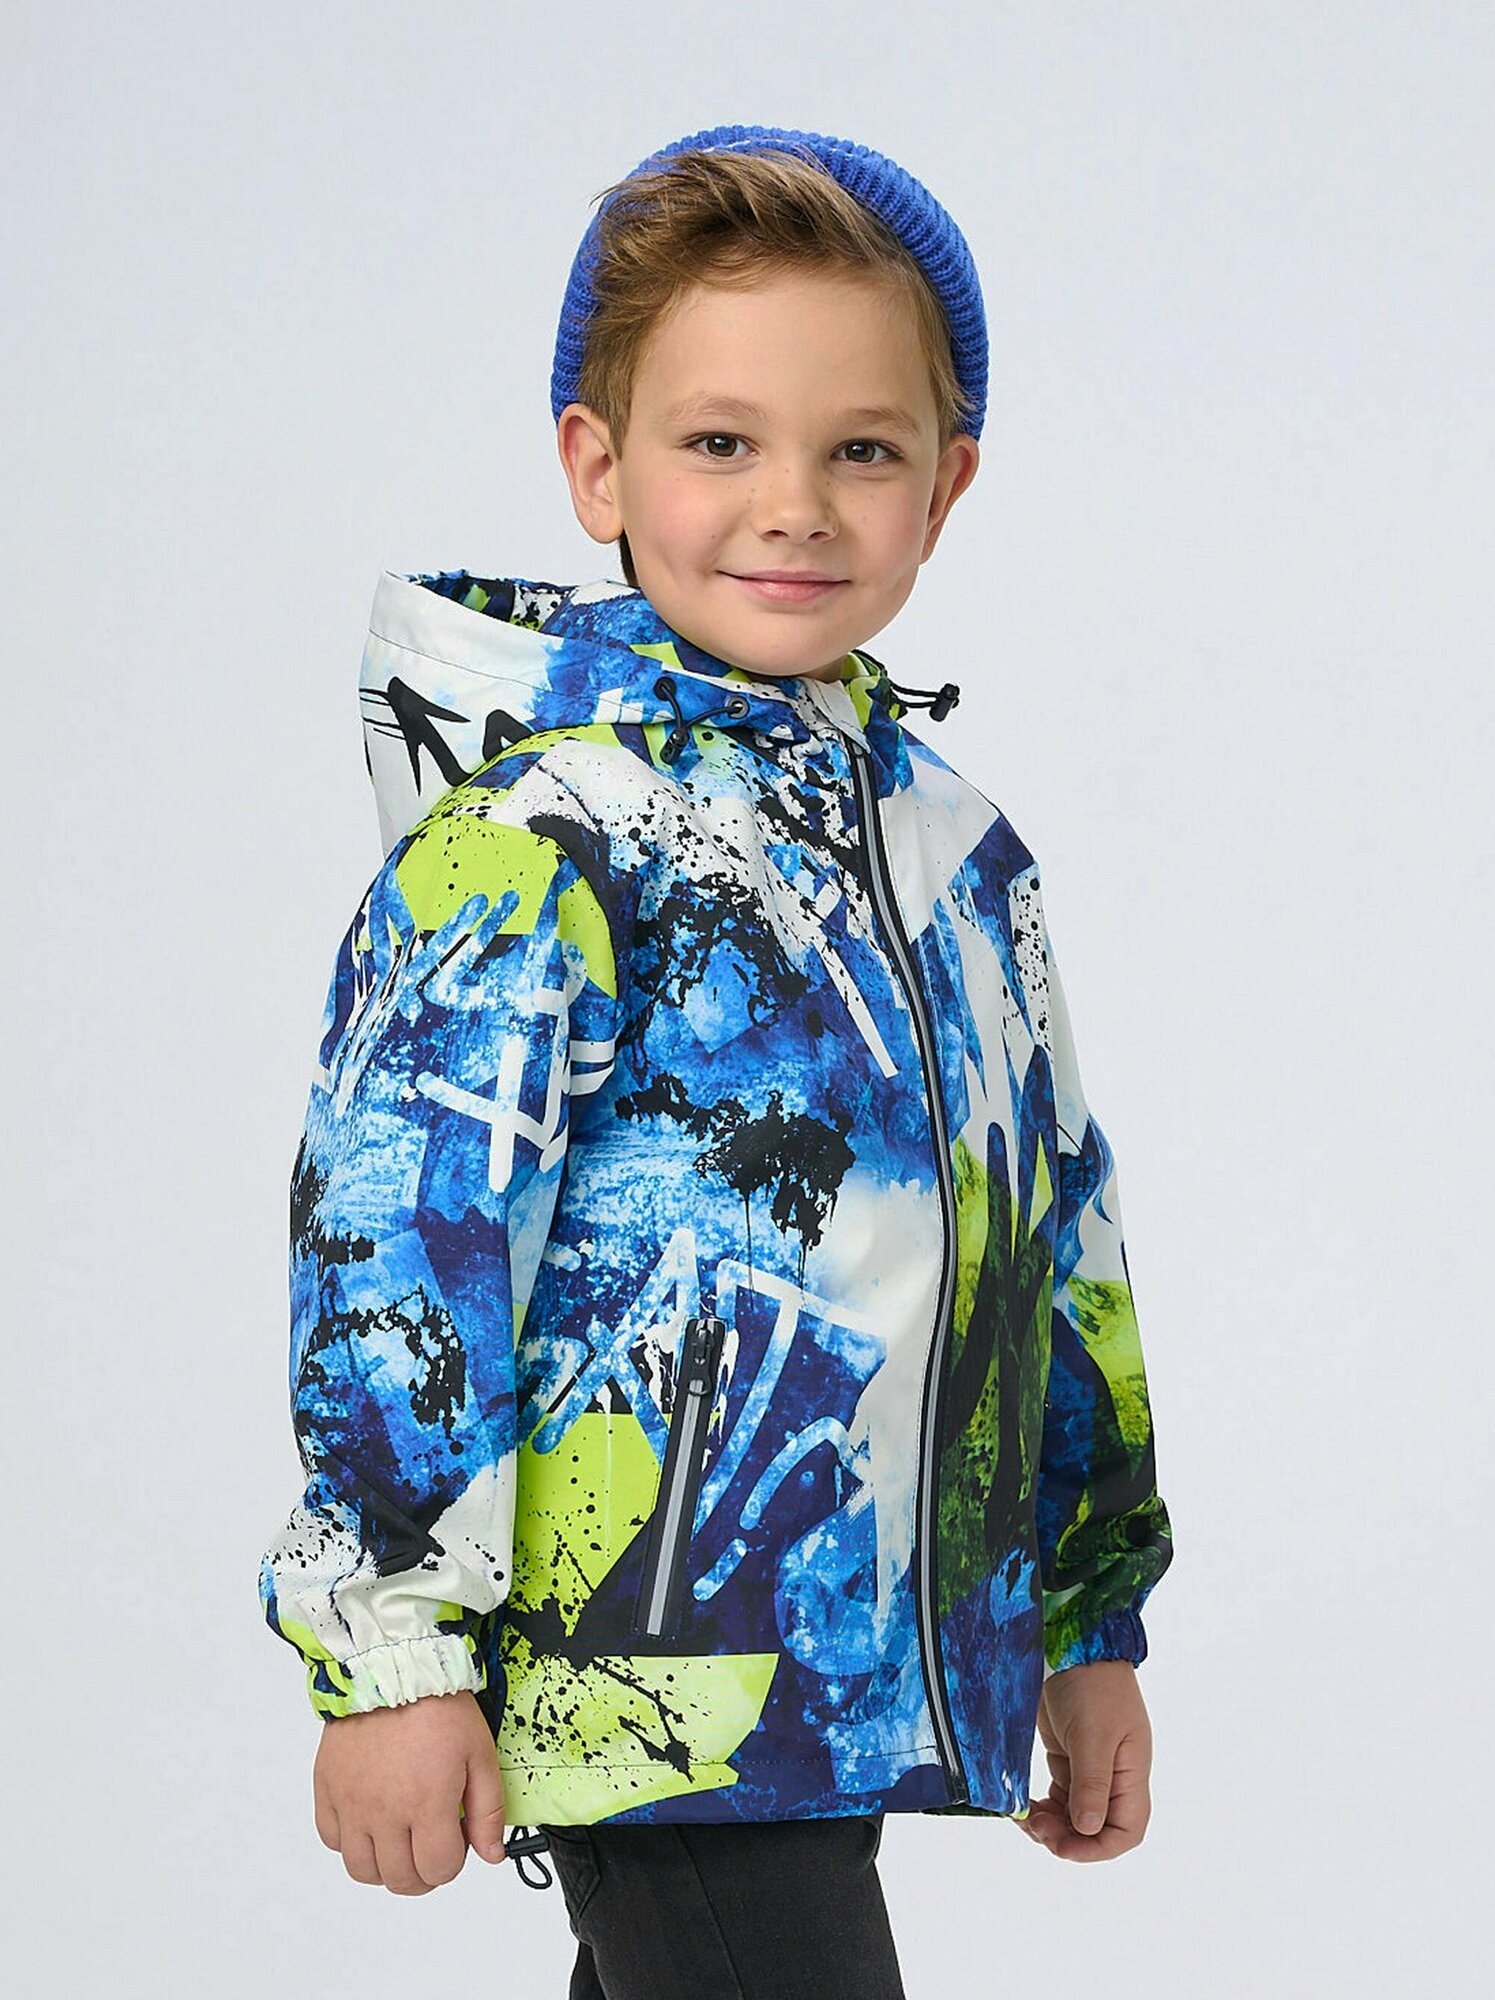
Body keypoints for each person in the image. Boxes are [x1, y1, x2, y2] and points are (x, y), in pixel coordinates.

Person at [258, 124, 1175, 1998]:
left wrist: (1085, 1620)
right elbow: (403, 1250)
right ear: (599, 467)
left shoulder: (961, 860)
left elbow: (1055, 1243)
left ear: (947, 484)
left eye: (864, 450)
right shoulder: (542, 844)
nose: (797, 507)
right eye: (722, 443)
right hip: (638, 1662)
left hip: (843, 1668)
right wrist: (392, 1649)